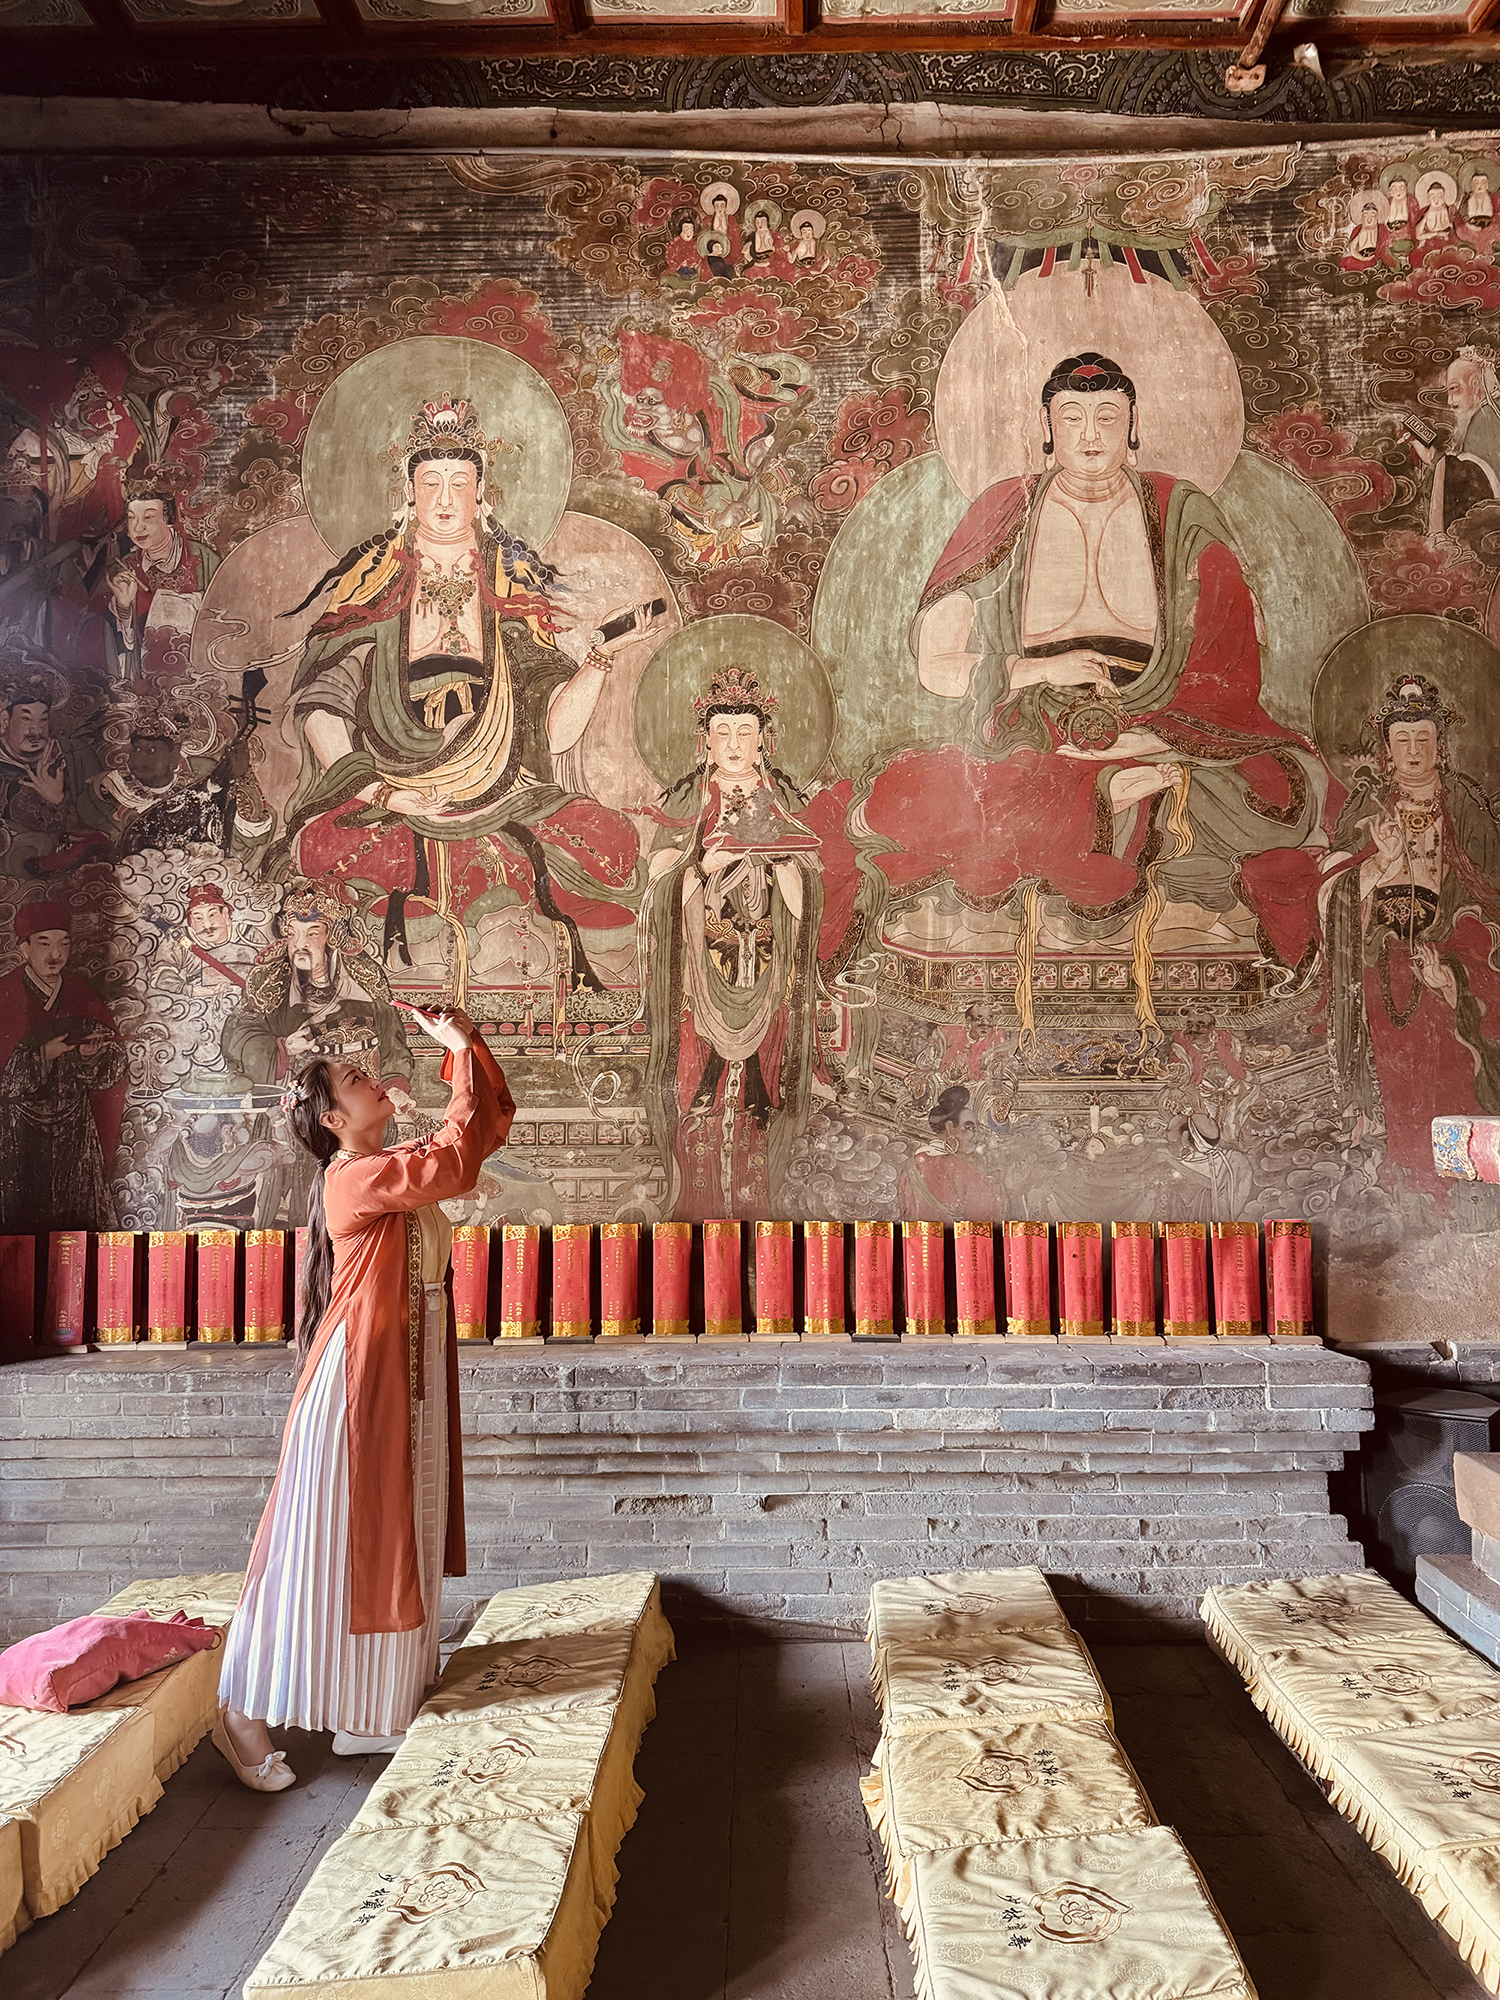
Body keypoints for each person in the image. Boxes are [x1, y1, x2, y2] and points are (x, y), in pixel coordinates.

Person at [885, 350, 1333, 1016]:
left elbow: (1230, 677)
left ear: (1133, 425)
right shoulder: (1007, 510)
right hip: (1034, 732)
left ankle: (1111, 793)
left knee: (1285, 790)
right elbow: (934, 666)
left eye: (1107, 416)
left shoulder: (1181, 512)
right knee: (919, 794)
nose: (1090, 436)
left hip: (1165, 732)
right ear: (1047, 427)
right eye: (1071, 418)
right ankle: (1105, 796)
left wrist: (1148, 741)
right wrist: (1036, 670)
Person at [213, 1004, 514, 1789]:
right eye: (354, 1079)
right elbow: (455, 1161)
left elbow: (476, 1136)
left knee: (394, 1535)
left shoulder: (382, 1171)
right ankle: (240, 1705)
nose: (373, 1076)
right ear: (330, 1117)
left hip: (400, 1374)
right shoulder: (352, 1177)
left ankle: (372, 1713)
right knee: (315, 1550)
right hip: (358, 1386)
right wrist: (458, 1051)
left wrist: (469, 1049)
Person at [644, 663, 823, 1218]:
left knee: (761, 1091)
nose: (734, 743)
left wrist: (785, 867)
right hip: (702, 968)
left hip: (768, 962)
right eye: (722, 731)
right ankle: (692, 1201)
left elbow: (810, 889)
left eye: (745, 731)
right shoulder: (685, 803)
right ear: (705, 739)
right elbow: (655, 883)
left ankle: (762, 1201)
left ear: (764, 738)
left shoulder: (786, 799)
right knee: (699, 1084)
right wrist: (700, 866)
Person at [0, 899, 126, 1231]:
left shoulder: (80, 991)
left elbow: (114, 1066)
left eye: (63, 942)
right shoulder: (5, 994)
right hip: (20, 1130)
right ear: (24, 948)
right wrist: (43, 1055)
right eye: (44, 943)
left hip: (75, 1126)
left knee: (77, 1217)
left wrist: (90, 1058)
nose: (55, 953)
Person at [1412, 349, 1500, 538]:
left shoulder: (1485, 420)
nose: (1450, 402)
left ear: (1475, 385)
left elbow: (1478, 477)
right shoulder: (1487, 416)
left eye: (1454, 389)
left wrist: (1437, 462)